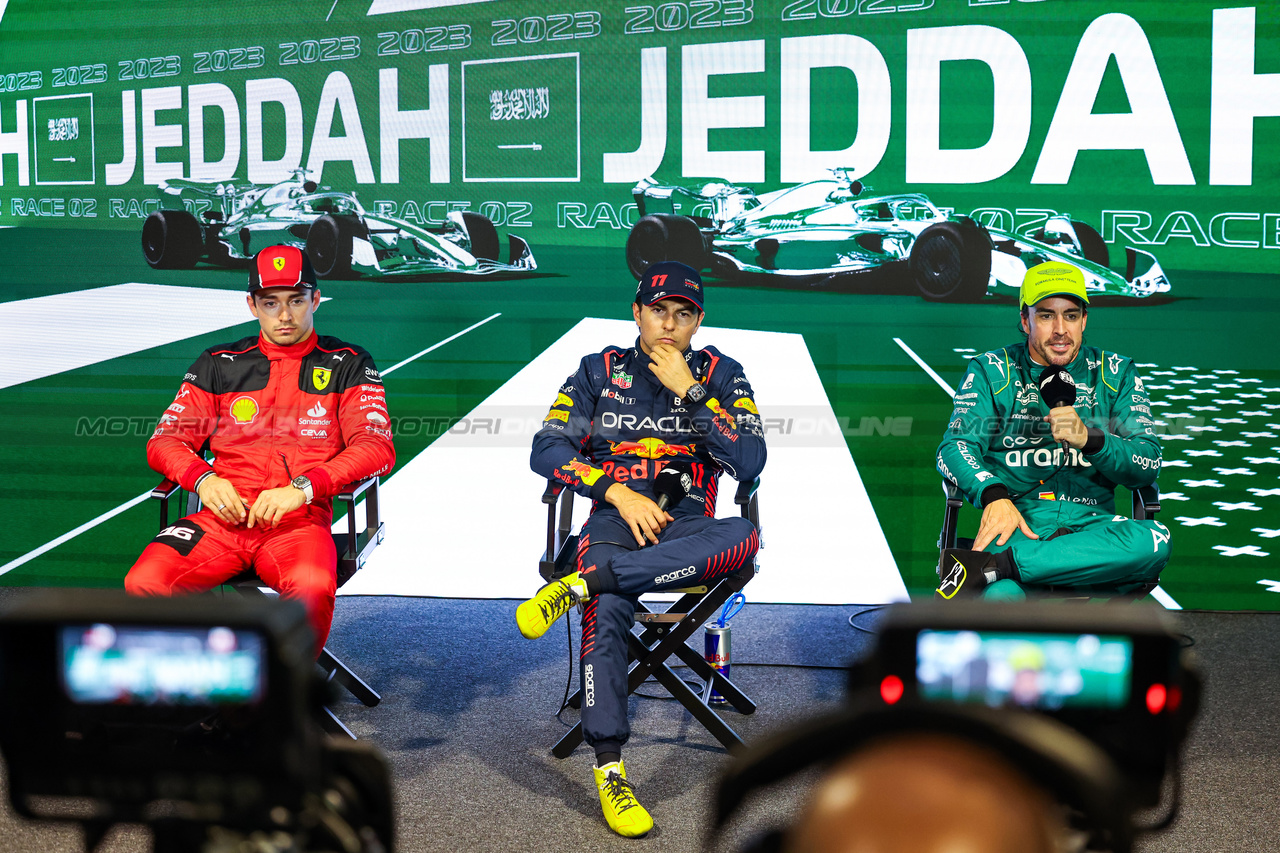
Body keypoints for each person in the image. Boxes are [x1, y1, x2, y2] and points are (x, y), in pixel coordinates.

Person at [518, 261, 766, 837]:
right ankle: (610, 770)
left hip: (687, 528)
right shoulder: (597, 370)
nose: (668, 325)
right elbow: (546, 449)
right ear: (637, 312)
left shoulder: (721, 373)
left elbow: (751, 462)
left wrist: (693, 393)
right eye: (658, 311)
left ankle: (580, 585)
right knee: (607, 613)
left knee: (744, 536)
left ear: (698, 322)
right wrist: (616, 492)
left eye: (683, 315)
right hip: (611, 520)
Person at [125, 245, 396, 656]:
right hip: (220, 522)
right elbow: (165, 441)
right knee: (145, 583)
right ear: (252, 305)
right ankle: (204, 687)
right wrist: (204, 478)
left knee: (311, 589)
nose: (284, 316)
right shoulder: (218, 362)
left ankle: (275, 704)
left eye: (296, 301)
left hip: (298, 523)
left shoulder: (349, 363)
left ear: (316, 300)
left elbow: (376, 446)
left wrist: (303, 488)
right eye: (271, 303)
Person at [935, 260, 1170, 600]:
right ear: (1024, 319)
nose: (1061, 329)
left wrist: (1091, 439)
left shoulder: (1116, 373)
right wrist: (993, 495)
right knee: (1001, 601)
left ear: (1084, 319)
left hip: (1094, 529)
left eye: (1071, 315)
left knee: (1155, 540)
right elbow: (954, 448)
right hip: (1018, 523)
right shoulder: (990, 370)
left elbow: (1147, 462)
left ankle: (994, 566)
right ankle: (1005, 568)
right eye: (1046, 315)